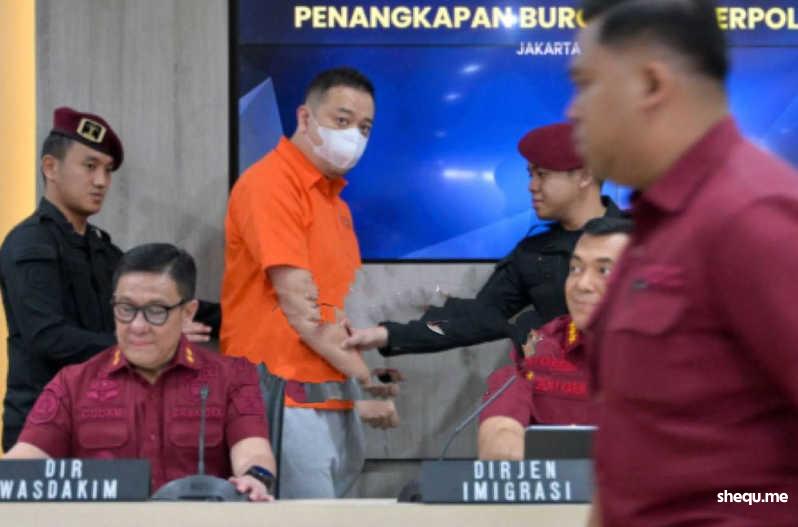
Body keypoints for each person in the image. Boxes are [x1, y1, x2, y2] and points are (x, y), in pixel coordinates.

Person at [568, 1, 798, 525]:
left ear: (651, 85)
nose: (573, 111)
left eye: (586, 85)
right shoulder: (656, 229)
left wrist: (747, 507)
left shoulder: (755, 217)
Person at [221, 67, 399, 499]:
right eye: (342, 120)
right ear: (305, 118)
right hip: (283, 397)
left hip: (335, 398)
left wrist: (361, 384)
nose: (354, 135)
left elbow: (340, 308)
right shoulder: (270, 184)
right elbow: (302, 311)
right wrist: (368, 381)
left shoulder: (336, 204)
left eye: (364, 128)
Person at [0, 108, 219, 452]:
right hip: (42, 426)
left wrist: (235, 316)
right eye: (90, 166)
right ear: (50, 168)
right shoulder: (29, 244)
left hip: (101, 421)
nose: (101, 181)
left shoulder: (102, 250)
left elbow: (157, 300)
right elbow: (48, 337)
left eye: (107, 170)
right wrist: (146, 343)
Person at [3, 244, 276, 500]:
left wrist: (254, 479)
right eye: (126, 309)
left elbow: (253, 451)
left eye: (155, 311)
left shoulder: (232, 377)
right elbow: (26, 459)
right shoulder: (72, 383)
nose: (137, 326)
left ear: (188, 313)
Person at [343, 122, 623, 356]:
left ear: (584, 176)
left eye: (542, 175)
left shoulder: (639, 243)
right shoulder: (534, 253)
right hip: (563, 396)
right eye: (530, 175)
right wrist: (386, 334)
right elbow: (477, 318)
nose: (531, 186)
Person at [476, 217, 631, 460]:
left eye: (604, 270)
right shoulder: (544, 349)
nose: (582, 284)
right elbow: (499, 438)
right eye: (575, 269)